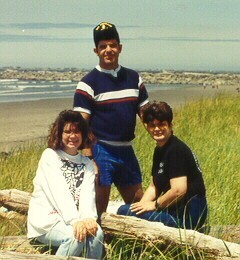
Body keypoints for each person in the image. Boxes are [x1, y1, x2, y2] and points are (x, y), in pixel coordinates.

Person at [73, 22, 149, 217]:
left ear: (120, 47)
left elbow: (146, 115)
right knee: (99, 207)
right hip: (101, 149)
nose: (108, 50)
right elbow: (82, 125)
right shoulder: (87, 83)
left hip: (126, 150)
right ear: (96, 51)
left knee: (138, 204)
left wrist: (166, 142)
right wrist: (90, 158)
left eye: (112, 45)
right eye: (103, 46)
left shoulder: (134, 78)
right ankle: (95, 245)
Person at [117, 101, 208, 230]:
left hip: (188, 216)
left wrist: (154, 205)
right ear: (147, 127)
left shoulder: (176, 150)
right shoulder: (160, 150)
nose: (157, 129)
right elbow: (154, 187)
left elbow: (179, 190)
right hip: (174, 210)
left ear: (170, 125)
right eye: (152, 125)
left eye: (161, 124)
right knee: (129, 210)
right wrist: (140, 207)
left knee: (124, 211)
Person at [27, 110, 103, 258]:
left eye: (77, 131)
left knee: (97, 234)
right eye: (67, 132)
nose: (72, 136)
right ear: (59, 134)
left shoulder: (86, 162)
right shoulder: (50, 156)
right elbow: (58, 191)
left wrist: (88, 218)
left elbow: (88, 194)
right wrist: (74, 221)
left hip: (72, 220)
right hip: (47, 222)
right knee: (74, 236)